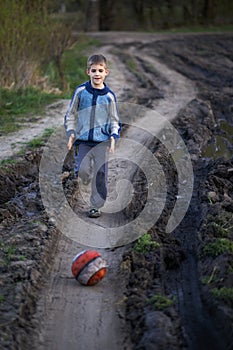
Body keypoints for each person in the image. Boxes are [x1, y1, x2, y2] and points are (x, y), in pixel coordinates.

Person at [64, 54, 121, 218]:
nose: (97, 74)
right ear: (88, 71)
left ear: (106, 72)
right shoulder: (81, 91)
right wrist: (71, 132)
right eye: (94, 70)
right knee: (82, 170)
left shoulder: (109, 96)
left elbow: (114, 119)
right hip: (83, 141)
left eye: (100, 70)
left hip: (101, 142)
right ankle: (85, 177)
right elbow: (71, 113)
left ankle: (96, 206)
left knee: (100, 173)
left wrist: (113, 137)